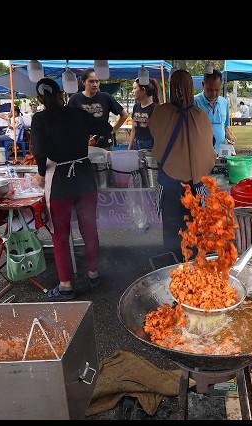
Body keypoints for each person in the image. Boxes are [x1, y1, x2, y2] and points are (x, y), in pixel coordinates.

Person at [31, 78, 112, 301]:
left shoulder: (40, 118)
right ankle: (93, 274)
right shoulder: (76, 113)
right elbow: (105, 127)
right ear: (60, 94)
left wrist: (40, 172)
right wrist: (93, 140)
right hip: (84, 176)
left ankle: (66, 286)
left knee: (61, 234)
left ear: (39, 99)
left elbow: (39, 151)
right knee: (89, 228)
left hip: (61, 181)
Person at [149, 69, 216, 261]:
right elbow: (209, 147)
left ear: (171, 87)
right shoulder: (201, 116)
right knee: (195, 231)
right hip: (196, 187)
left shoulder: (160, 112)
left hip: (170, 186)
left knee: (172, 234)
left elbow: (153, 136)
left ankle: (173, 270)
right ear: (191, 87)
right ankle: (194, 270)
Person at [68, 68, 129, 149]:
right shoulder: (75, 99)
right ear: (83, 82)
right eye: (91, 81)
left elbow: (124, 115)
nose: (95, 84)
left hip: (104, 143)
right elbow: (69, 121)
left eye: (97, 81)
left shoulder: (106, 97)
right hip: (82, 143)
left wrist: (113, 131)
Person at [193, 69, 235, 153]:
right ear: (203, 84)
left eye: (217, 90)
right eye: (210, 90)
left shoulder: (224, 103)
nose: (213, 93)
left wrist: (229, 136)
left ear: (221, 86)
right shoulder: (194, 102)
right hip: (200, 153)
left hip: (221, 153)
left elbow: (225, 127)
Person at [127, 78, 160, 150]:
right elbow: (133, 129)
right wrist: (129, 147)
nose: (132, 91)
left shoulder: (156, 109)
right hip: (136, 145)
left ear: (143, 90)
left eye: (135, 88)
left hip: (150, 147)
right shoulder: (136, 106)